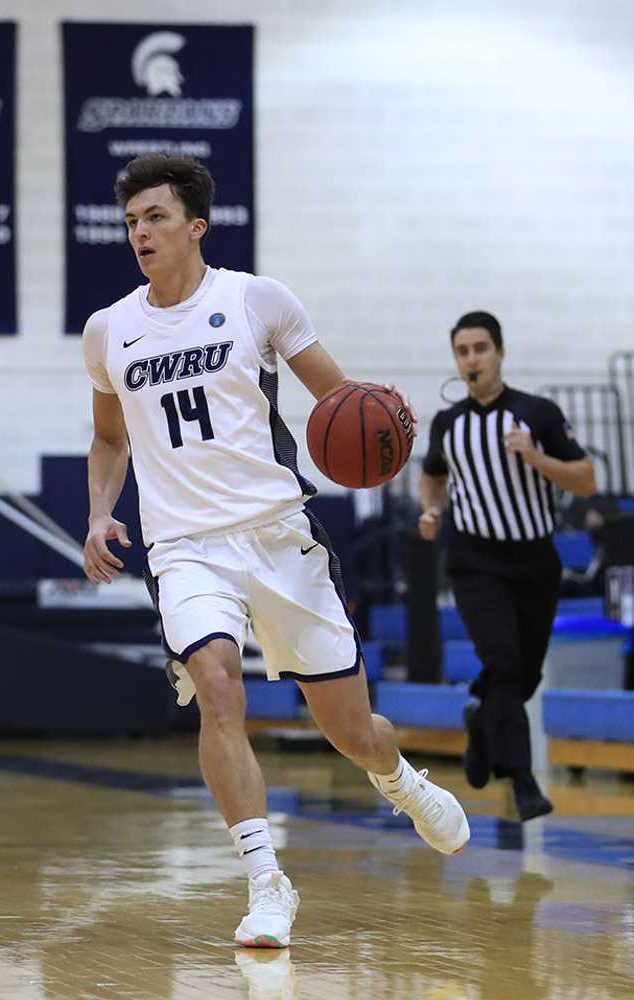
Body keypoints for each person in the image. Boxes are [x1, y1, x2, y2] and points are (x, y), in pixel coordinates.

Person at [81, 154, 470, 950]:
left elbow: (339, 399)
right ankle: (267, 883)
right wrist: (97, 514)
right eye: (130, 222)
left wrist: (387, 421)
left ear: (196, 225)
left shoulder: (256, 300)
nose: (140, 233)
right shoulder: (109, 331)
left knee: (353, 732)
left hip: (279, 536)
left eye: (155, 217)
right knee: (218, 689)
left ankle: (397, 780)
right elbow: (108, 436)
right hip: (185, 545)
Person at [419, 311, 596, 820]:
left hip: (535, 560)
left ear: (500, 352)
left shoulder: (537, 414)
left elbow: (586, 480)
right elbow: (432, 476)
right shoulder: (447, 423)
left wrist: (534, 457)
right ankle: (522, 781)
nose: (471, 359)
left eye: (480, 348)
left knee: (522, 677)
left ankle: (480, 724)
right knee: (503, 662)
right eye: (462, 351)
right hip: (475, 562)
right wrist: (431, 510)